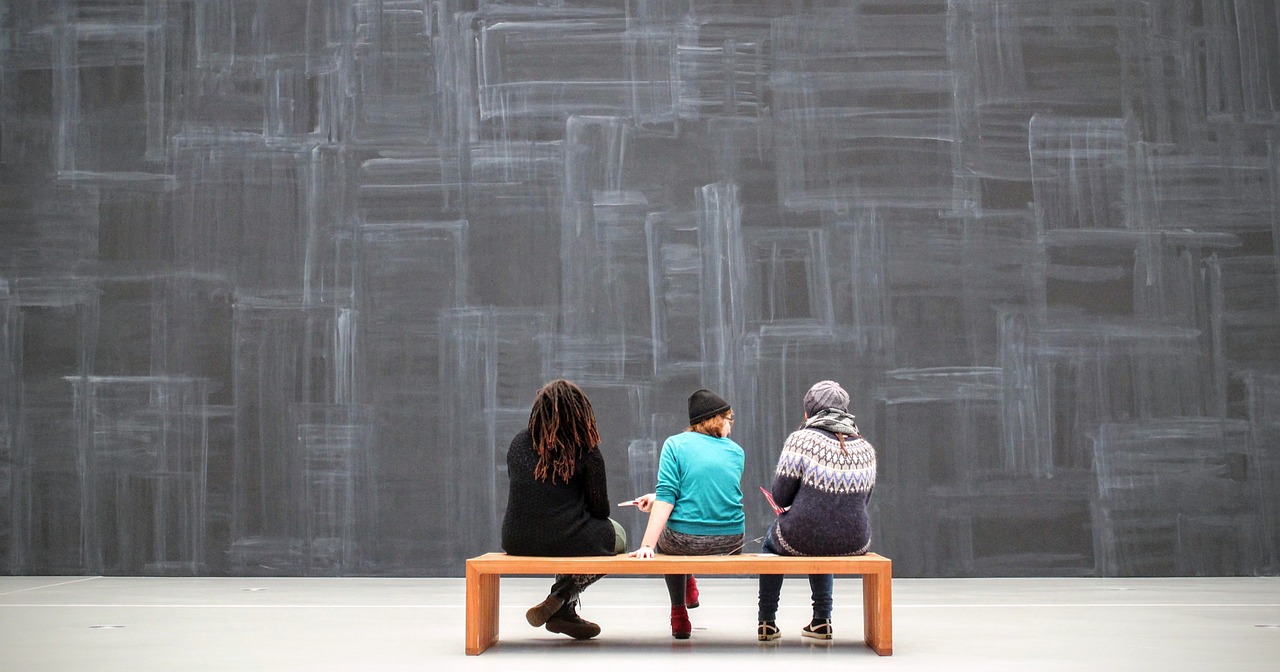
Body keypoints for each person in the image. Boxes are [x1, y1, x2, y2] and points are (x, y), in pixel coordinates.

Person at [501, 379, 626, 640]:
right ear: (581, 412)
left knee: (570, 535)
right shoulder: (586, 449)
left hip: (516, 539)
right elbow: (601, 510)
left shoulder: (518, 444)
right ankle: (562, 594)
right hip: (567, 536)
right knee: (618, 538)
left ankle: (564, 612)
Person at [756, 380, 876, 642]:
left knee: (772, 544)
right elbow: (863, 500)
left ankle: (767, 621)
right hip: (855, 540)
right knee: (824, 538)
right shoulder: (865, 448)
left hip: (800, 536)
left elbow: (781, 495)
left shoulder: (801, 440)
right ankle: (822, 620)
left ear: (809, 411)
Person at [629, 389, 745, 639]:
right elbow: (703, 493)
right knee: (679, 518)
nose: (731, 426)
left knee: (671, 539)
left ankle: (679, 613)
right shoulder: (736, 452)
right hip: (732, 539)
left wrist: (647, 544)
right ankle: (689, 586)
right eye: (729, 419)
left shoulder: (674, 444)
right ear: (716, 419)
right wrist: (656, 498)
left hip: (685, 541)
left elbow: (669, 498)